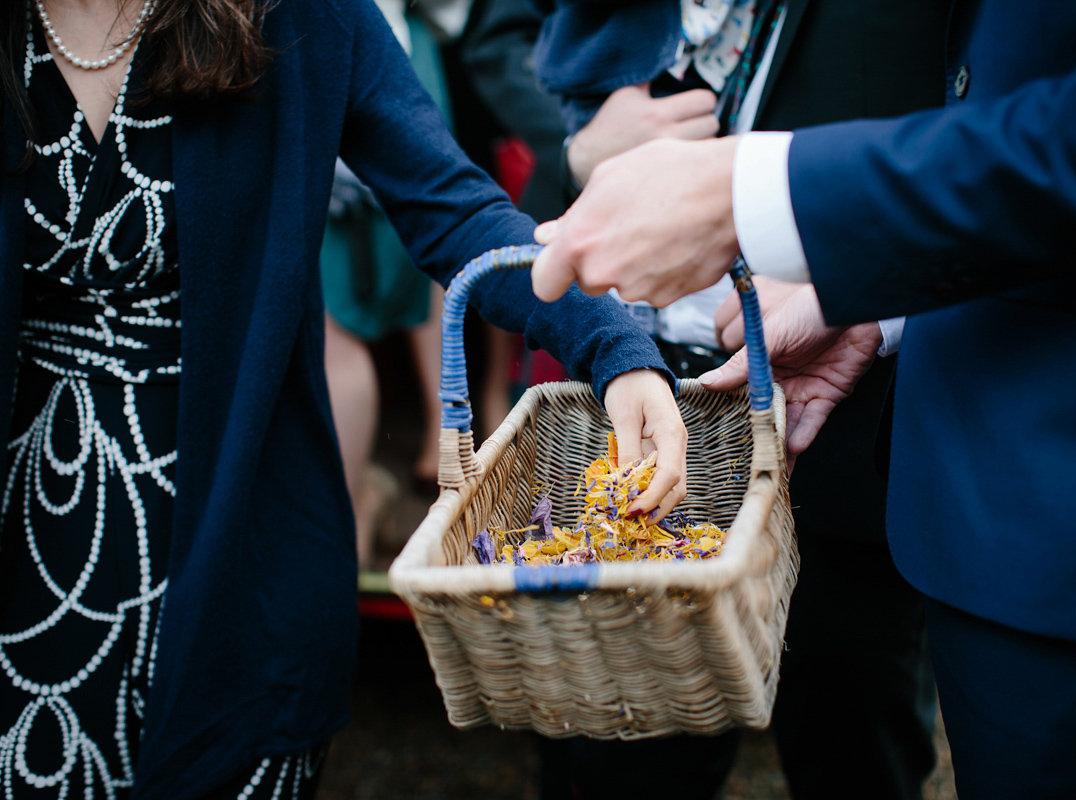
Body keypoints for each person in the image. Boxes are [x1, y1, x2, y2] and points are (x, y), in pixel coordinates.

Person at [0, 1, 689, 797]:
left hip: (242, 528)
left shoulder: (300, 12)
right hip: (25, 531)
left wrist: (616, 348)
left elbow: (455, 209)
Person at [529, 1, 1076, 797]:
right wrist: (871, 305)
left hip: (982, 469)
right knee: (622, 759)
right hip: (693, 373)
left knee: (856, 743)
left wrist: (763, 196)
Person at [530, 1, 950, 797]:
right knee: (618, 764)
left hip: (838, 421)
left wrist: (862, 283)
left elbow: (977, 142)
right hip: (622, 410)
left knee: (858, 753)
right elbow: (513, 53)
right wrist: (580, 155)